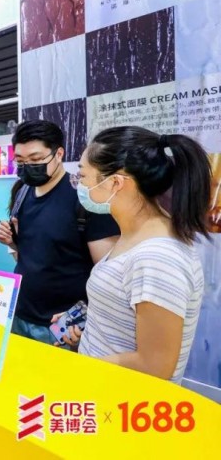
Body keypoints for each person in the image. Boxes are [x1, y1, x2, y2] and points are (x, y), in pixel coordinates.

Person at [57, 128, 209, 383]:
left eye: (82, 176)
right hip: (101, 387)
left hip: (121, 399)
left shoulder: (157, 259)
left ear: (115, 183)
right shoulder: (133, 237)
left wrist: (78, 368)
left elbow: (156, 365)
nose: (79, 185)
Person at [0, 120, 119, 345]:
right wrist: (12, 242)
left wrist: (87, 318)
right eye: (20, 161)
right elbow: (32, 255)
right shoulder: (22, 193)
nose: (27, 166)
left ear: (58, 154)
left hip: (62, 325)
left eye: (36, 160)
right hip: (19, 313)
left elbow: (109, 273)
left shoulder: (85, 198)